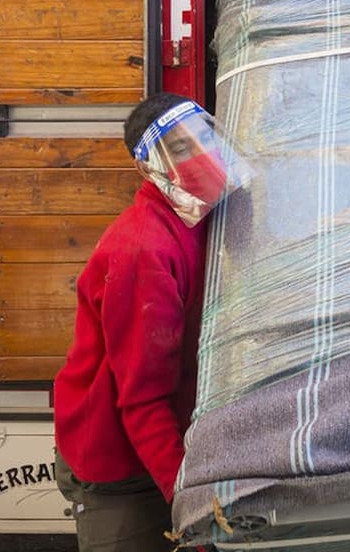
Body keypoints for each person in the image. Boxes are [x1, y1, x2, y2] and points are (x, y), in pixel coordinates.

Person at [53, 92, 245, 552]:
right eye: (180, 148)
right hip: (119, 459)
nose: (202, 152)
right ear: (149, 169)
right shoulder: (144, 250)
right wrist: (193, 508)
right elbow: (142, 401)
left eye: (205, 135)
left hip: (175, 443)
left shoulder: (208, 217)